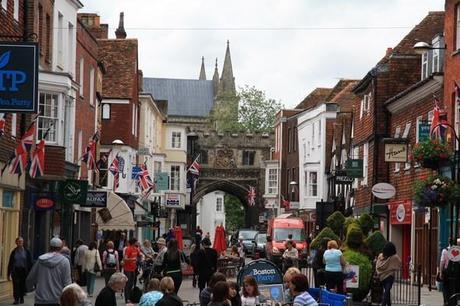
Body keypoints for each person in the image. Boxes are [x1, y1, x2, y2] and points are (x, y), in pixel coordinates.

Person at [26, 237, 72, 306]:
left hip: (40, 300)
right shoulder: (64, 261)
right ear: (61, 247)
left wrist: (29, 288)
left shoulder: (40, 260)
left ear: (49, 247)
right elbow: (67, 282)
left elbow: (31, 278)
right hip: (57, 300)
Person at [7, 237, 33, 305]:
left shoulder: (26, 251)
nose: (20, 243)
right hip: (15, 270)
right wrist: (8, 273)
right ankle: (16, 299)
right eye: (19, 241)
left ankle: (21, 298)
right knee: (16, 285)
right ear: (16, 243)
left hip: (24, 270)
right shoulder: (14, 252)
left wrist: (31, 273)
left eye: (21, 241)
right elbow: (10, 263)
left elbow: (30, 262)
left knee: (22, 285)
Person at [376, 242, 402, 306]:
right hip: (390, 277)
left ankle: (389, 304)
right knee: (387, 291)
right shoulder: (394, 257)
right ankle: (383, 304)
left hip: (382, 277)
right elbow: (399, 263)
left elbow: (377, 266)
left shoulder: (380, 256)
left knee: (387, 291)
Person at [124, 237, 141, 303]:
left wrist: (141, 257)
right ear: (134, 242)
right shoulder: (128, 249)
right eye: (136, 242)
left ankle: (130, 297)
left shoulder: (136, 249)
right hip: (127, 269)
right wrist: (132, 259)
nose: (137, 243)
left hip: (133, 268)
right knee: (127, 284)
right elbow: (125, 259)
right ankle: (127, 298)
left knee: (131, 284)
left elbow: (140, 255)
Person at [440, 238, 455, 305]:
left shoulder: (445, 250)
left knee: (445, 287)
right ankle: (452, 301)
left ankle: (446, 301)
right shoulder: (457, 251)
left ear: (448, 242)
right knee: (453, 287)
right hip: (455, 272)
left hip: (446, 272)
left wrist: (440, 272)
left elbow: (442, 262)